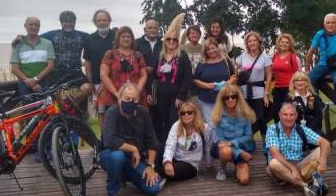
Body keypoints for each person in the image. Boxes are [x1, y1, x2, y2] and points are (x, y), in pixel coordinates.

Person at [100, 83, 163, 196]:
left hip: (134, 160)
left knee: (153, 189)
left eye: (134, 99)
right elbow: (109, 140)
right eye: (127, 98)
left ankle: (123, 174)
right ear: (119, 99)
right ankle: (112, 192)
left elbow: (152, 142)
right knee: (117, 157)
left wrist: (150, 166)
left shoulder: (143, 113)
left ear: (138, 100)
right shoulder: (112, 112)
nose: (131, 102)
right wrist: (133, 148)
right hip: (111, 155)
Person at [265, 102, 331, 196]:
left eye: (291, 115)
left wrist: (323, 162)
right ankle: (306, 185)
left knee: (320, 150)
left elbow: (325, 142)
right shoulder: (272, 129)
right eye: (285, 115)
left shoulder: (301, 129)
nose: (288, 118)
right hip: (281, 168)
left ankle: (315, 182)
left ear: (296, 116)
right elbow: (275, 154)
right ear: (279, 115)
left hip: (299, 165)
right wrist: (292, 169)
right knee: (273, 163)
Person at [149, 13, 193, 143]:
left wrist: (181, 96)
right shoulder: (159, 56)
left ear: (178, 42)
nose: (171, 42)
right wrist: (149, 93)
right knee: (161, 122)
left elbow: (187, 77)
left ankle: (178, 149)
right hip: (160, 96)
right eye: (169, 39)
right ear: (165, 41)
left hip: (176, 98)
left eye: (174, 40)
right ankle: (164, 150)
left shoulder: (182, 56)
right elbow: (153, 76)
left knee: (174, 122)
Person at [98, 26, 147, 127]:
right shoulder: (110, 54)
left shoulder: (138, 55)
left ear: (132, 39)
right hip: (113, 97)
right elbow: (103, 75)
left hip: (134, 97)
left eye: (128, 36)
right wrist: (117, 93)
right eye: (123, 36)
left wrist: (137, 91)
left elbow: (143, 75)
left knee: (135, 126)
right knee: (114, 126)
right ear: (118, 39)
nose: (126, 39)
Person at [210, 84, 257, 185]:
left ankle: (238, 165)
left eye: (233, 96)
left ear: (238, 98)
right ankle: (222, 167)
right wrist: (240, 152)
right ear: (222, 100)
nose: (230, 99)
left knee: (244, 180)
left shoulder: (245, 113)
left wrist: (232, 144)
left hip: (241, 146)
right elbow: (221, 140)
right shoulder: (218, 115)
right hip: (224, 148)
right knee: (226, 151)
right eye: (227, 97)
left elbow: (248, 136)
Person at [41, 10, 92, 101]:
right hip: (56, 73)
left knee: (87, 88)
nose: (68, 24)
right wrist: (21, 38)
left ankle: (69, 103)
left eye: (71, 22)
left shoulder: (82, 36)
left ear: (75, 22)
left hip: (75, 72)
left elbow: (97, 40)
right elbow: (34, 39)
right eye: (66, 22)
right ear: (61, 22)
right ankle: (65, 108)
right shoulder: (52, 35)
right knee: (57, 95)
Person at [161, 102, 215, 181]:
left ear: (195, 114)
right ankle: (157, 173)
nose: (186, 115)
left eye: (189, 113)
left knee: (173, 170)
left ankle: (157, 175)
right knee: (159, 148)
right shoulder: (176, 125)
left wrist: (209, 164)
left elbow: (208, 145)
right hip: (175, 159)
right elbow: (170, 145)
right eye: (183, 113)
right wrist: (168, 162)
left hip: (191, 164)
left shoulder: (204, 127)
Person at [235, 31, 272, 144]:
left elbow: (269, 76)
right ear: (247, 43)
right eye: (250, 41)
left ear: (258, 42)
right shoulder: (242, 56)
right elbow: (235, 71)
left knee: (260, 118)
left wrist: (266, 93)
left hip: (259, 91)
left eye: (254, 40)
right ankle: (249, 141)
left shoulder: (265, 57)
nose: (252, 43)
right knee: (245, 118)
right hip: (244, 92)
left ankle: (265, 141)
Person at [193, 38, 236, 124]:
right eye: (208, 49)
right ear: (205, 51)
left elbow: (234, 75)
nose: (211, 51)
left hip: (226, 98)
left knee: (226, 123)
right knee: (212, 124)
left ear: (217, 48)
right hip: (207, 100)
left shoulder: (225, 60)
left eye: (213, 48)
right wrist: (207, 85)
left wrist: (228, 83)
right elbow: (195, 80)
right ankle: (215, 138)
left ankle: (224, 138)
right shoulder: (202, 63)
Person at [10, 16, 55, 95]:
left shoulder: (47, 43)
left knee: (46, 106)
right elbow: (14, 69)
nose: (34, 27)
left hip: (43, 82)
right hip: (24, 83)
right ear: (25, 26)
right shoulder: (17, 44)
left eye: (37, 25)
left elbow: (50, 66)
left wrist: (35, 79)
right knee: (28, 107)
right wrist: (30, 82)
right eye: (31, 24)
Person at [84, 9, 116, 110]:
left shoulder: (117, 37)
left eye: (104, 20)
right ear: (95, 22)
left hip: (115, 80)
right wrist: (90, 81)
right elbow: (88, 62)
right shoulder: (89, 39)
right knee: (101, 110)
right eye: (99, 20)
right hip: (97, 80)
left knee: (116, 110)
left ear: (109, 21)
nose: (102, 22)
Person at [267, 33, 301, 123]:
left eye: (287, 42)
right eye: (282, 42)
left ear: (290, 45)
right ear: (278, 43)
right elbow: (272, 71)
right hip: (277, 88)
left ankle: (292, 134)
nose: (284, 44)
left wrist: (294, 89)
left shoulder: (292, 56)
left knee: (290, 113)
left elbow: (297, 74)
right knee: (275, 113)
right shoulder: (275, 56)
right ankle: (280, 133)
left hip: (289, 88)